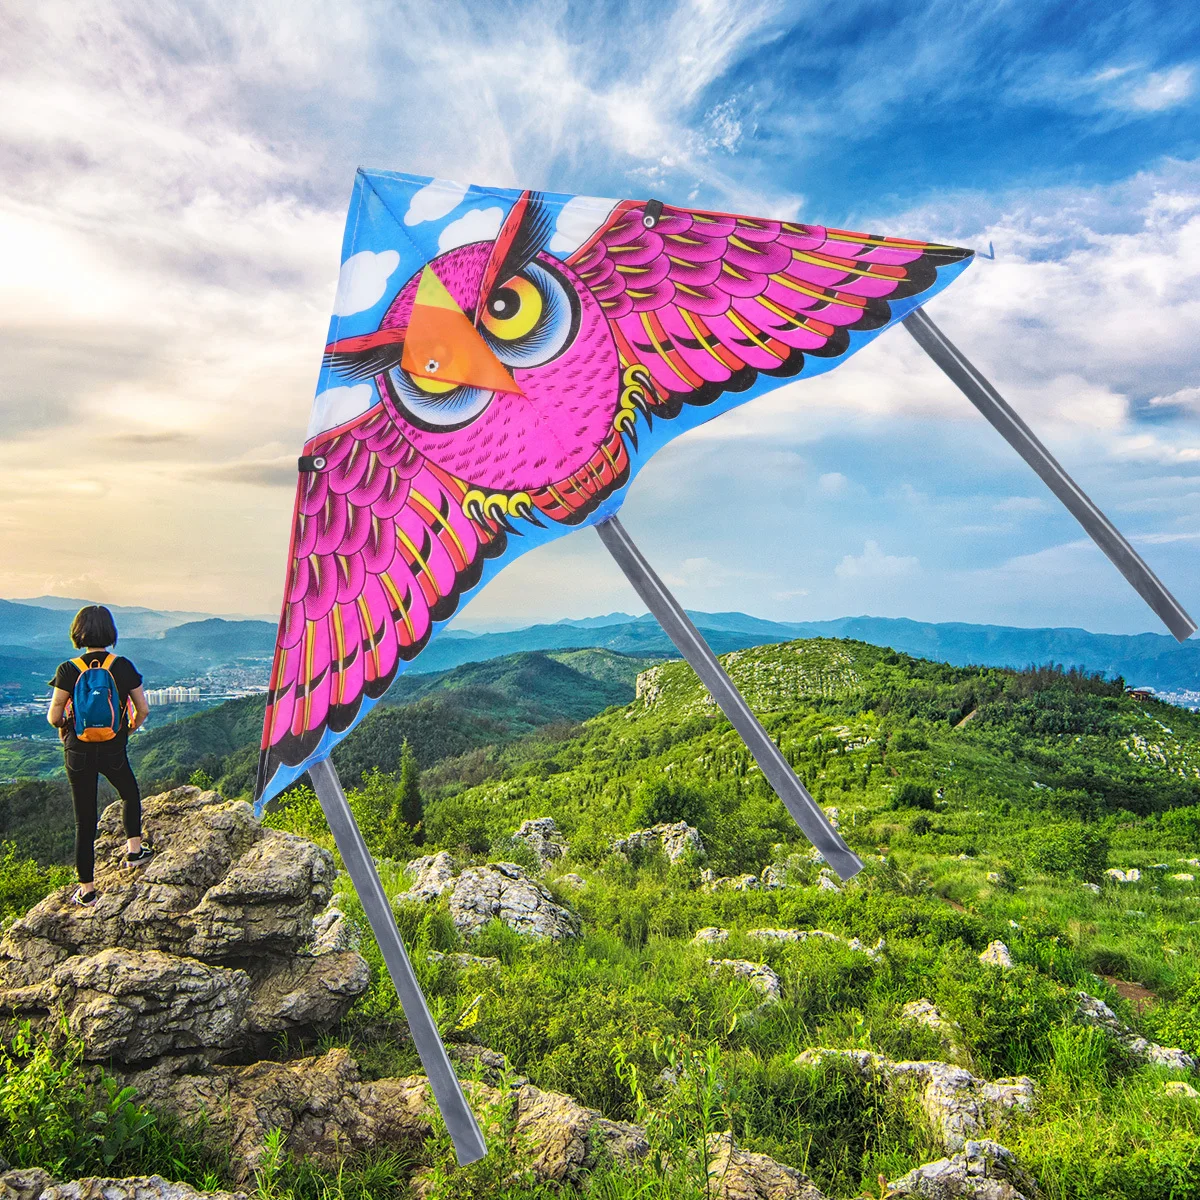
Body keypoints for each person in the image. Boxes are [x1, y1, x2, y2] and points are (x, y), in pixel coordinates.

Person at [46, 605, 153, 906]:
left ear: (78, 632)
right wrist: (128, 729)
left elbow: (54, 716)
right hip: (113, 747)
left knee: (85, 818)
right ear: (110, 632)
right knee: (129, 792)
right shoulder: (122, 666)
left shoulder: (68, 669)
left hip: (77, 749)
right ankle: (134, 851)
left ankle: (87, 890)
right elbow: (142, 710)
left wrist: (66, 727)